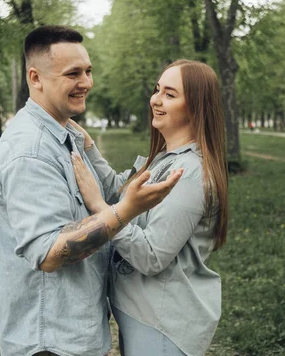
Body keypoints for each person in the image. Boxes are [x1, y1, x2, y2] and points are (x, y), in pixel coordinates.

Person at [0, 25, 183, 356]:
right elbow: (48, 254)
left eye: (88, 71)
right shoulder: (30, 152)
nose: (87, 83)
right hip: (50, 345)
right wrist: (124, 213)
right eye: (73, 73)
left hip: (77, 335)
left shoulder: (64, 135)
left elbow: (107, 192)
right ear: (36, 78)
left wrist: (91, 151)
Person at [70, 59, 229, 356]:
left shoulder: (189, 174)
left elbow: (151, 257)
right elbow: (121, 190)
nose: (156, 99)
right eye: (158, 90)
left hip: (163, 323)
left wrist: (101, 209)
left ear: (196, 106)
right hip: (144, 314)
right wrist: (89, 147)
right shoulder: (165, 158)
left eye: (170, 94)